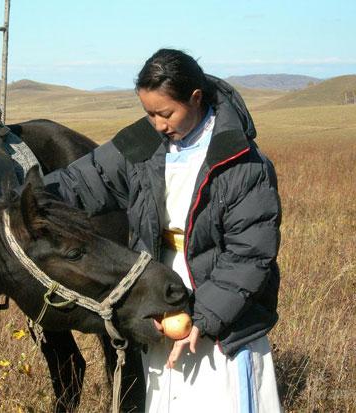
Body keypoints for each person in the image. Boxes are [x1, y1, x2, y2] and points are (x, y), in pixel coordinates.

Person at [44, 48, 282, 412]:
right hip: (160, 288)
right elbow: (86, 178)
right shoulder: (146, 144)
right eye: (149, 113)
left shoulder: (242, 162)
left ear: (195, 98)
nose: (157, 124)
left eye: (165, 113)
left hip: (225, 309)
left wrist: (205, 318)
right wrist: (28, 200)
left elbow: (250, 255)